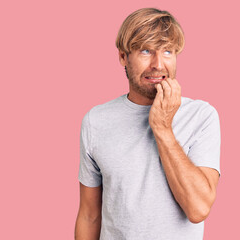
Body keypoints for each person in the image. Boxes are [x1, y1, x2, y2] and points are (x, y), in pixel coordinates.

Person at [75, 8, 221, 240]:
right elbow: (89, 215)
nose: (158, 64)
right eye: (145, 51)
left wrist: (163, 128)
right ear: (123, 56)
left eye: (167, 51)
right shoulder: (96, 121)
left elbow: (198, 209)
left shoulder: (201, 116)